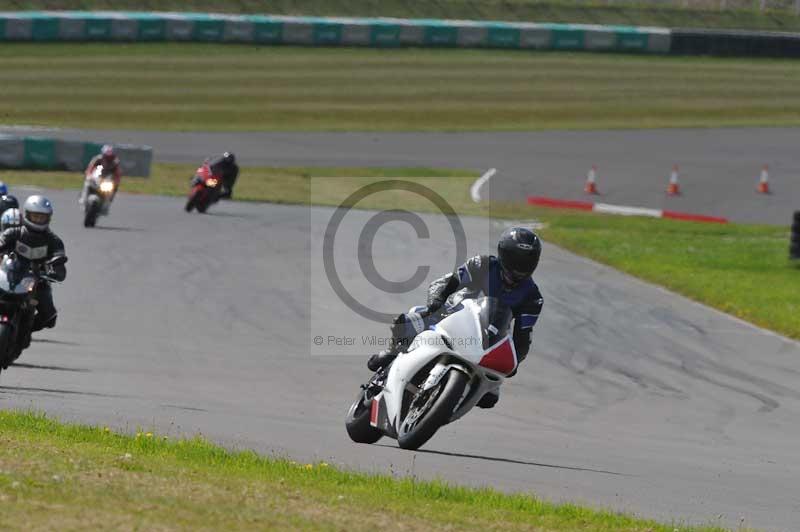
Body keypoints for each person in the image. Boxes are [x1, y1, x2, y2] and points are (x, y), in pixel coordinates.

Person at [366, 227, 544, 409]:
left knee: (489, 398)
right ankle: (393, 352)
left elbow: (523, 336)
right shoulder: (483, 264)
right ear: (503, 253)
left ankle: (448, 401)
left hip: (486, 341)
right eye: (516, 258)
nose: (520, 266)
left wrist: (514, 364)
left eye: (527, 261)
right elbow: (446, 282)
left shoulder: (532, 297)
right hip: (449, 316)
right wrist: (435, 304)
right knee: (405, 322)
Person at [0, 196, 67, 333]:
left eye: (42, 217)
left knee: (49, 317)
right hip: (10, 274)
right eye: (35, 216)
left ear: (48, 218)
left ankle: (25, 332)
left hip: (37, 280)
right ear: (27, 214)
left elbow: (59, 261)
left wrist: (54, 270)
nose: (38, 220)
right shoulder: (14, 232)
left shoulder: (54, 241)